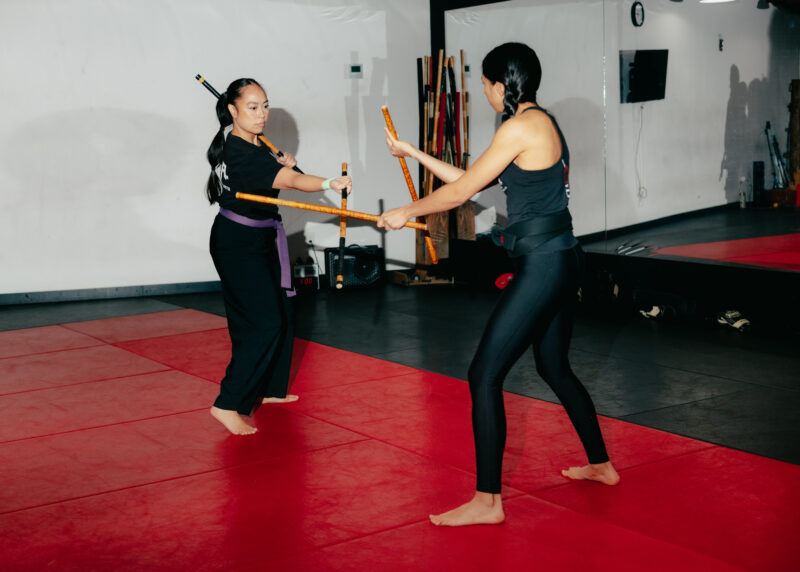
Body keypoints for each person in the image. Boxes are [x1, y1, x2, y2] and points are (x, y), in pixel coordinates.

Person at [378, 43, 619, 526]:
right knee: (553, 367)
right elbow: (472, 180)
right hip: (562, 257)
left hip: (545, 264)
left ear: (497, 84)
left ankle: (488, 501)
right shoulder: (538, 122)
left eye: (484, 85)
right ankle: (602, 465)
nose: (484, 93)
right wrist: (413, 152)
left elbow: (462, 192)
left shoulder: (519, 127)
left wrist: (407, 211)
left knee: (483, 374)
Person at [205, 78, 351, 435]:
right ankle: (227, 403)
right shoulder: (241, 152)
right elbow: (293, 182)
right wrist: (329, 182)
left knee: (282, 311)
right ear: (232, 111)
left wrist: (284, 162)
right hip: (238, 242)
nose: (262, 114)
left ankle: (268, 390)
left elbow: (281, 172)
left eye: (265, 105)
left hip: (260, 236)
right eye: (252, 107)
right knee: (263, 322)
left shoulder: (248, 145)